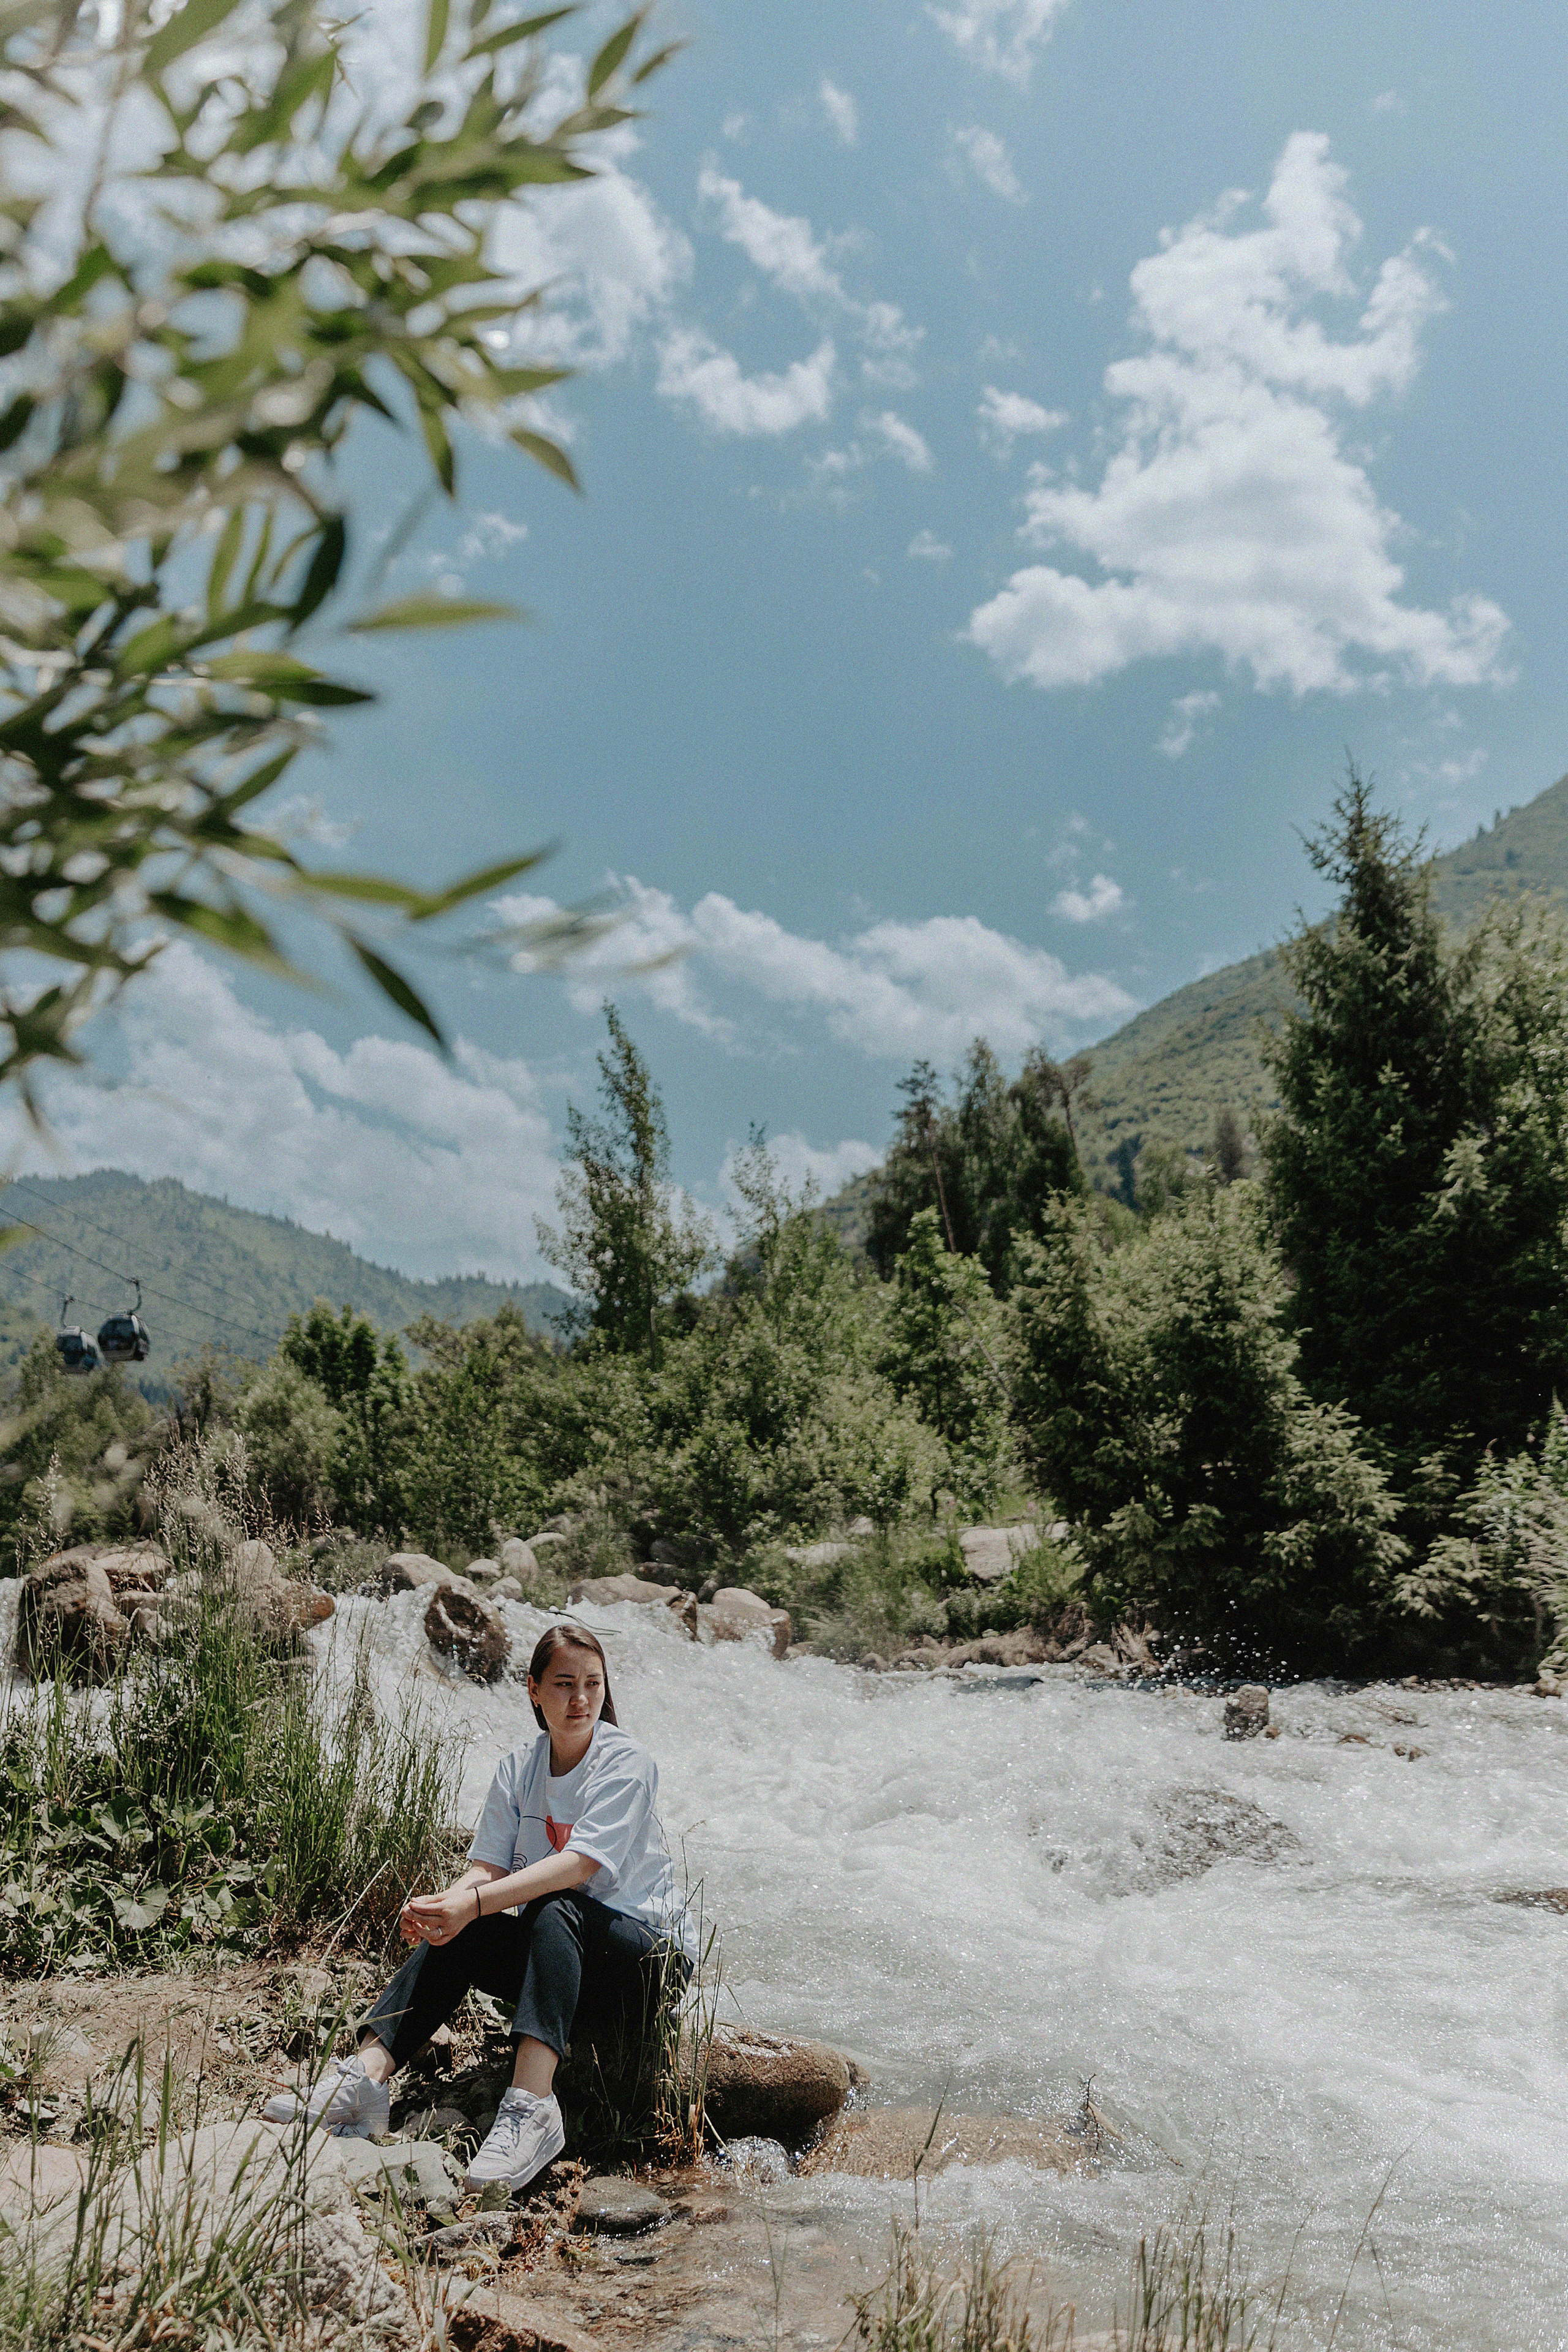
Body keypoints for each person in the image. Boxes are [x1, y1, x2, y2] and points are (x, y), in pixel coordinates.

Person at [263, 1621, 694, 2193]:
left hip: (644, 1963)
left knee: (552, 1902)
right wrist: (448, 1907)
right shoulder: (520, 1767)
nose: (582, 1698)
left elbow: (578, 1867)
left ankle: (532, 2107)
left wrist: (476, 1902)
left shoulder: (627, 1763)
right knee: (467, 1926)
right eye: (565, 1683)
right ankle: (367, 2079)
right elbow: (487, 1871)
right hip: (562, 1962)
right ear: (533, 1690)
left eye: (593, 1683)